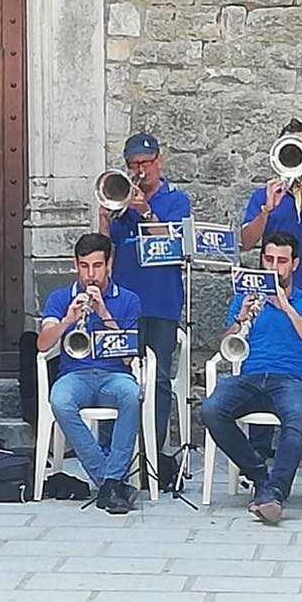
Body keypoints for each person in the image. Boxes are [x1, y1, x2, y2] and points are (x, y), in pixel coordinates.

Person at [201, 231, 302, 525]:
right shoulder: (244, 298)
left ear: (294, 264)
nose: (274, 267)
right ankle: (262, 479)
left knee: (297, 416)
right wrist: (240, 319)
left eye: (281, 261)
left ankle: (274, 493)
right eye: (268, 259)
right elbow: (225, 346)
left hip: (291, 381)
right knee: (210, 410)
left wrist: (287, 308)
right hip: (250, 377)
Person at [239, 118, 302, 461]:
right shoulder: (264, 195)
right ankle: (258, 448)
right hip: (269, 294)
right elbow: (246, 240)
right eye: (291, 146)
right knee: (263, 357)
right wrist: (268, 208)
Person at [38, 232, 144, 514]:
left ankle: (109, 481)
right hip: (75, 376)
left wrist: (105, 314)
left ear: (109, 264)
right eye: (84, 266)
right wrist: (68, 320)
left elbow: (129, 357)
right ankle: (111, 482)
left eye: (97, 266)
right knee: (59, 400)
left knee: (132, 396)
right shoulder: (61, 298)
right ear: (76, 264)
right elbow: (43, 343)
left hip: (114, 375)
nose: (90, 275)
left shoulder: (129, 300)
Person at [98, 132, 191, 452]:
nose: (139, 170)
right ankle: (112, 450)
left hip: (161, 302)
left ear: (159, 161)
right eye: (133, 164)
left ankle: (153, 449)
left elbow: (176, 245)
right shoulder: (121, 202)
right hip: (123, 304)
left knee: (159, 377)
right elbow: (104, 252)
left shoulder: (177, 200)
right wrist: (105, 221)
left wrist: (146, 212)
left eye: (145, 163)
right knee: (115, 373)